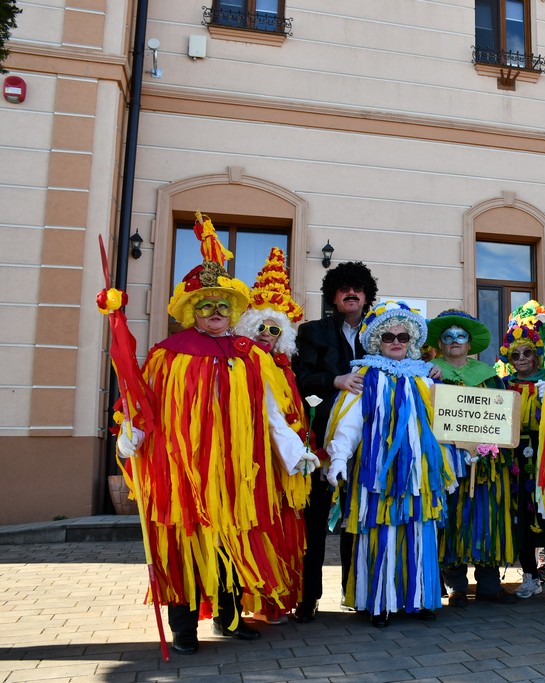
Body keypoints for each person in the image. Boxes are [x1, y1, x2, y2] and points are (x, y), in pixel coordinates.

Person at [115, 215, 318, 655]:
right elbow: (142, 401)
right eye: (206, 306)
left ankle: (228, 618)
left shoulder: (250, 356)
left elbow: (271, 412)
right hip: (183, 471)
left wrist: (293, 450)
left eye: (223, 306)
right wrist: (130, 435)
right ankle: (184, 628)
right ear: (192, 311)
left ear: (234, 311)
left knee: (231, 542)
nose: (216, 313)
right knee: (187, 544)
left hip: (236, 473)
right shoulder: (168, 354)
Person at [324, 301, 455, 627]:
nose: (396, 341)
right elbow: (351, 423)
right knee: (381, 535)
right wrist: (339, 456)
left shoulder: (426, 379)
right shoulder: (364, 377)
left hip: (419, 477)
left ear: (411, 341)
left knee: (420, 534)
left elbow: (444, 424)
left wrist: (461, 455)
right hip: (378, 476)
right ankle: (380, 602)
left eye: (402, 336)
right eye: (388, 336)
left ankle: (422, 598)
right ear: (376, 341)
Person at [292, 261, 377, 623]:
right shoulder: (313, 332)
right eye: (344, 289)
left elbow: (405, 364)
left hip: (370, 444)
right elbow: (301, 376)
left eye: (357, 288)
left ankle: (352, 592)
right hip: (321, 442)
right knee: (314, 524)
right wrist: (336, 380)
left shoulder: (382, 331)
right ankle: (308, 598)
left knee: (357, 523)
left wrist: (431, 368)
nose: (351, 293)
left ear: (366, 294)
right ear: (334, 295)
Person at [234, 247, 311, 624]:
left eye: (274, 329)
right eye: (261, 327)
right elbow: (270, 416)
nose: (266, 334)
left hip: (283, 461)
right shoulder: (249, 361)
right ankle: (262, 598)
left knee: (281, 524)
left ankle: (275, 599)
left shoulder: (283, 365)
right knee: (261, 524)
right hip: (260, 457)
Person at [428, 309, 517, 607]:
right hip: (446, 461)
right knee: (451, 518)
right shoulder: (427, 373)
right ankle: (456, 586)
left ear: (469, 343)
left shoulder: (490, 377)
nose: (454, 341)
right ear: (440, 343)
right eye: (448, 337)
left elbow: (503, 418)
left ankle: (490, 585)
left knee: (486, 517)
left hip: (486, 463)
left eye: (460, 336)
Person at [502, 301, 545, 606]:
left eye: (527, 353)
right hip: (515, 459)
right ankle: (529, 576)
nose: (522, 359)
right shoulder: (504, 386)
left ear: (536, 354)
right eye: (515, 355)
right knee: (519, 517)